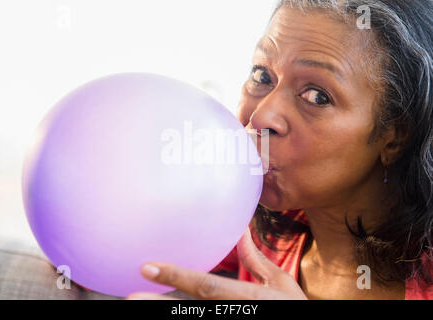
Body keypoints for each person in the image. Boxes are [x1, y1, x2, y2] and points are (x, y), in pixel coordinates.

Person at [127, 0, 433, 300]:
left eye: (316, 96)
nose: (260, 116)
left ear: (396, 136)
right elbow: (137, 252)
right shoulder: (256, 231)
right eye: (262, 76)